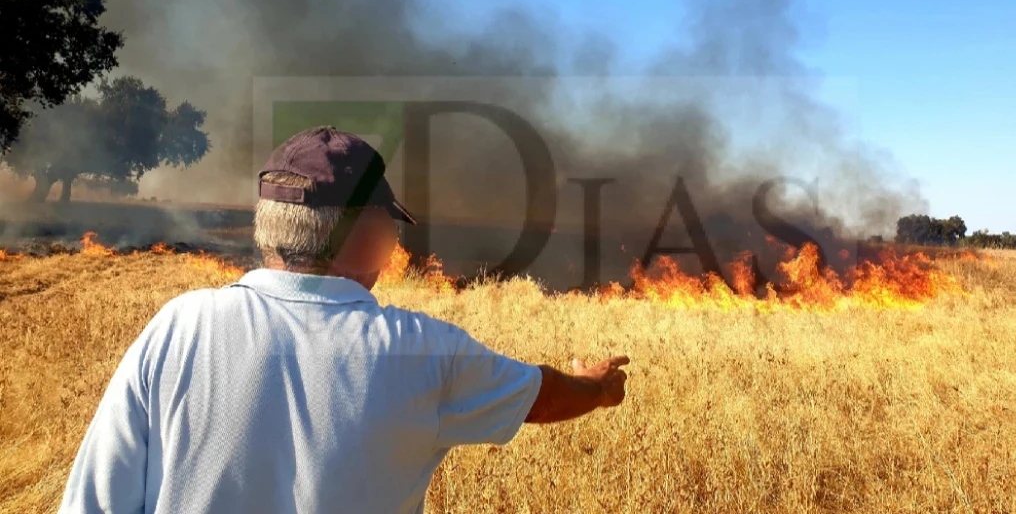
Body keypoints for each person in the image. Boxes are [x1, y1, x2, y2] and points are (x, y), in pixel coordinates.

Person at [59, 125, 630, 513]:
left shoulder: (179, 327)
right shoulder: (420, 352)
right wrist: (599, 387)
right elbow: (545, 397)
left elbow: (92, 500)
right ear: (361, 233)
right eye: (390, 225)